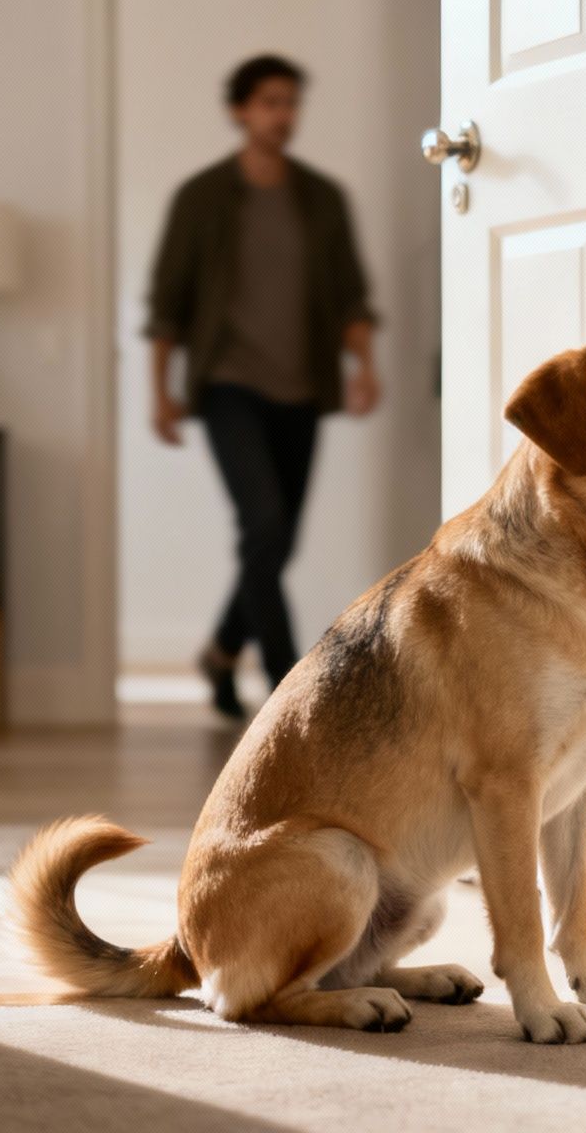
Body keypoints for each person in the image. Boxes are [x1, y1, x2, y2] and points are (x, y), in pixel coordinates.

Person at [144, 53, 381, 720]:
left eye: (291, 103)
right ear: (240, 111)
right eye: (269, 102)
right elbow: (169, 301)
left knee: (272, 541)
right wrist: (160, 390)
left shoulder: (321, 199)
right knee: (265, 525)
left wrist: (364, 366)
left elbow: (348, 297)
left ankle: (221, 649)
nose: (283, 115)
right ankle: (288, 688)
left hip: (303, 389)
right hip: (228, 385)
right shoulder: (202, 197)